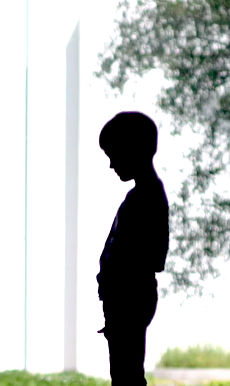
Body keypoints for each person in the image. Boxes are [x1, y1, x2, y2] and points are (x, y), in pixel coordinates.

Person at [96, 111, 169, 386]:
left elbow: (154, 257)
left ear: (134, 150)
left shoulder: (146, 197)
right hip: (126, 299)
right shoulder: (142, 195)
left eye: (114, 155)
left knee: (126, 375)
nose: (112, 165)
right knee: (124, 373)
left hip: (130, 299)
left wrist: (119, 282)